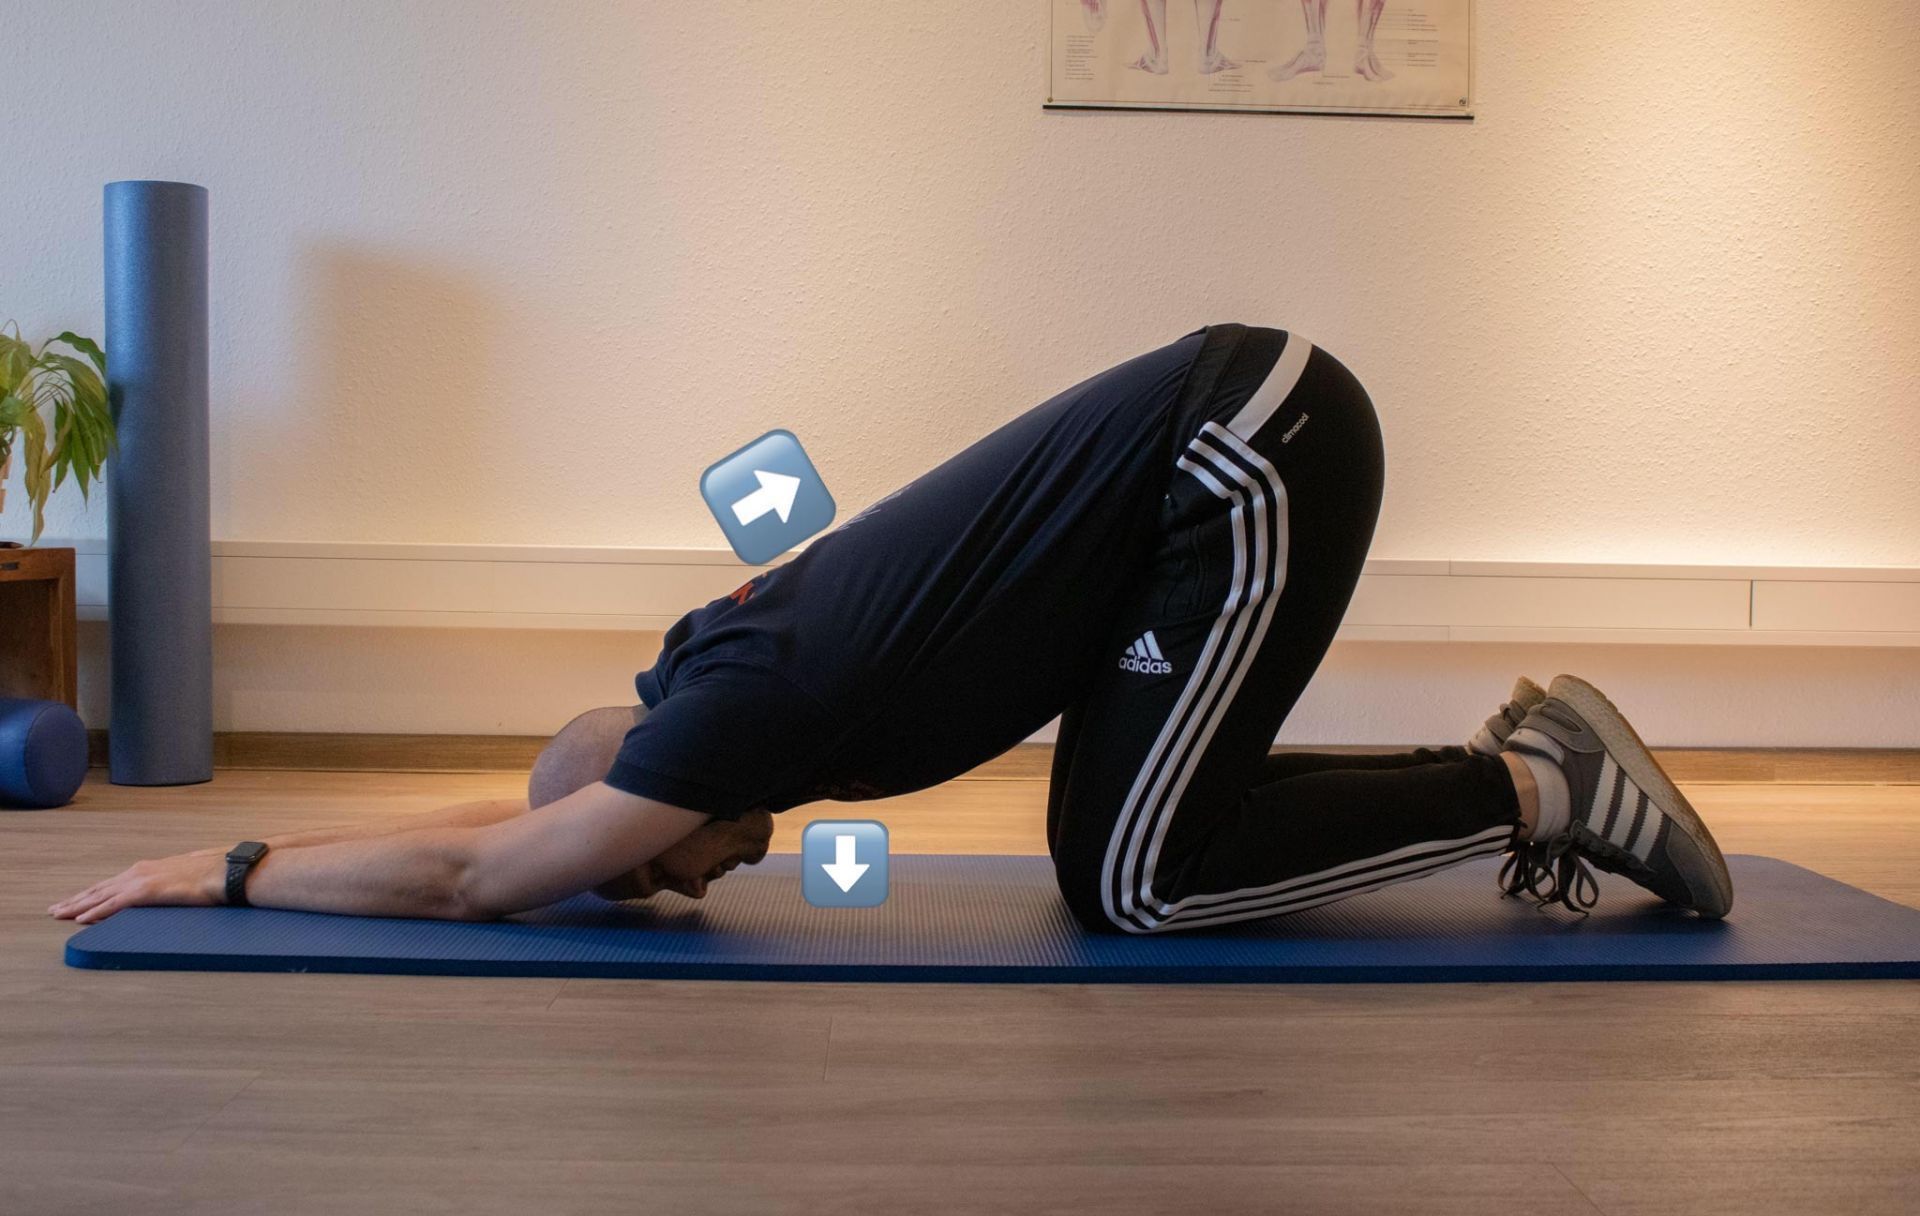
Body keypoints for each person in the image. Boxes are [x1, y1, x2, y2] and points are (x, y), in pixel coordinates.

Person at [51, 324, 1732, 931]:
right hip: (1217, 473)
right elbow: (517, 834)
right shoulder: (698, 707)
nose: (702, 883)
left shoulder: (727, 723)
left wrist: (232, 864)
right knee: (1121, 852)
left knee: (1138, 883)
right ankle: (1523, 764)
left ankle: (1542, 788)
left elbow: (488, 876)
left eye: (647, 872)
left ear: (658, 804)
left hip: (1249, 452)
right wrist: (517, 832)